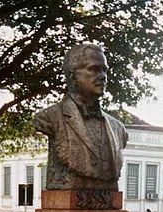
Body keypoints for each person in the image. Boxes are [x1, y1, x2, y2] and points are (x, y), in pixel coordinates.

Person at [33, 43, 128, 191]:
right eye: (94, 69)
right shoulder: (50, 117)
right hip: (65, 194)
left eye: (104, 70)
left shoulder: (118, 128)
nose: (102, 76)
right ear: (73, 76)